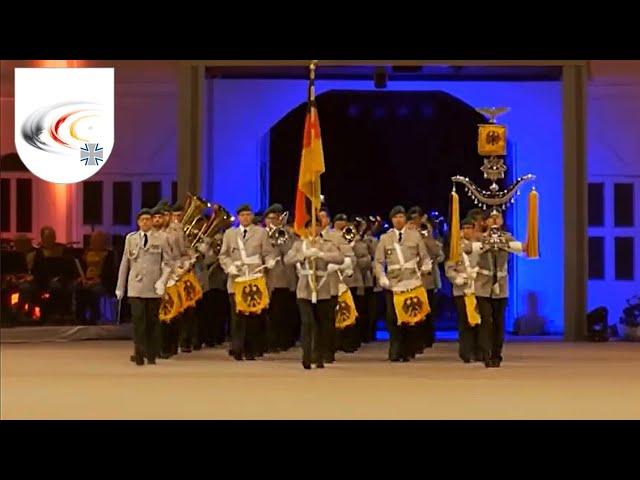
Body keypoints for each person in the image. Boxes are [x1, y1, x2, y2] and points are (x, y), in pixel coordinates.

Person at [218, 204, 277, 361]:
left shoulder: (261, 232)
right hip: (236, 279)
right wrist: (229, 266)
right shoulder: (230, 234)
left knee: (253, 316)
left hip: (254, 277)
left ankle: (251, 349)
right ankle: (237, 348)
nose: (245, 217)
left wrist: (270, 261)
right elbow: (223, 255)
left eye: (248, 214)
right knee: (237, 315)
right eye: (242, 215)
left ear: (252, 216)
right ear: (238, 217)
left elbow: (268, 252)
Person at [284, 218, 344, 369]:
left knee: (321, 324)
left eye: (317, 226)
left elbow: (340, 258)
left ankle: (318, 356)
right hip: (304, 288)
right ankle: (307, 355)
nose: (314, 229)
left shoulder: (327, 244)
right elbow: (287, 259)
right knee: (307, 322)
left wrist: (322, 254)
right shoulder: (299, 244)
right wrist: (303, 255)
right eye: (311, 226)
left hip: (322, 288)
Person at [374, 206, 431, 362]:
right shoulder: (385, 238)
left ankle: (408, 349)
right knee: (393, 317)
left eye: (400, 216)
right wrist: (381, 277)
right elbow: (378, 262)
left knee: (411, 317)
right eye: (395, 217)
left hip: (412, 281)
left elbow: (424, 256)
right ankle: (395, 349)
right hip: (393, 283)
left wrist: (426, 266)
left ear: (405, 219)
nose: (398, 220)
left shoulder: (415, 236)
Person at [115, 209, 171, 366]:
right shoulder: (131, 239)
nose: (145, 222)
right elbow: (125, 262)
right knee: (138, 320)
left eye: (148, 219)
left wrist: (163, 281)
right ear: (138, 222)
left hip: (153, 287)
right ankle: (138, 352)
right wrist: (120, 286)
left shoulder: (162, 238)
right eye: (142, 220)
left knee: (152, 321)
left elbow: (167, 262)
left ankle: (151, 353)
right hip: (136, 286)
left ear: (153, 221)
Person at [470, 208, 524, 368]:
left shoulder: (507, 238)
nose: (494, 221)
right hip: (483, 284)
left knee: (499, 322)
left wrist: (510, 245)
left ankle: (496, 354)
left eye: (497, 217)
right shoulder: (478, 238)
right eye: (491, 218)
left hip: (501, 284)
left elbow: (522, 249)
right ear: (484, 221)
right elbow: (469, 249)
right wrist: (486, 243)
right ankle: (485, 354)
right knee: (486, 320)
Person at [318, 207, 355, 363]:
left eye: (323, 218)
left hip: (331, 284)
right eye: (317, 218)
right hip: (312, 285)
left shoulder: (337, 236)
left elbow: (350, 257)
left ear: (328, 220)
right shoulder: (307, 236)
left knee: (328, 319)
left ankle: (328, 351)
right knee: (313, 320)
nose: (320, 221)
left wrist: (340, 266)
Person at [444, 217, 481, 363]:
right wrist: (456, 278)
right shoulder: (455, 248)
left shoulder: (479, 246)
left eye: (469, 228)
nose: (467, 231)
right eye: (464, 228)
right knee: (464, 322)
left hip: (478, 288)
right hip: (461, 290)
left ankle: (479, 351)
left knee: (479, 321)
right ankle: (466, 352)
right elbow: (449, 268)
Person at [264, 203, 298, 352]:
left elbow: (290, 253)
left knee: (280, 313)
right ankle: (267, 342)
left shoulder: (288, 233)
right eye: (269, 218)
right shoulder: (260, 233)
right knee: (266, 313)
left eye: (275, 218)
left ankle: (280, 341)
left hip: (282, 279)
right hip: (264, 277)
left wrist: (280, 239)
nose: (272, 221)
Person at [333, 213, 367, 353]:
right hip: (334, 281)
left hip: (352, 280)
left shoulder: (357, 240)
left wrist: (353, 247)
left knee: (351, 312)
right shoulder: (330, 238)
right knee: (336, 312)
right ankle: (337, 341)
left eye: (343, 221)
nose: (341, 224)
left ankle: (350, 342)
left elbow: (366, 260)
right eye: (338, 221)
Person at [75, 230, 117, 325]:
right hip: (86, 279)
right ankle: (81, 318)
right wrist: (81, 278)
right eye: (93, 240)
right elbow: (81, 268)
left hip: (103, 282)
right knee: (79, 289)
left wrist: (95, 281)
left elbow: (109, 274)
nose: (93, 242)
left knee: (93, 290)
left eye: (97, 240)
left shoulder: (109, 254)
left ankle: (95, 316)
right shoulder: (86, 253)